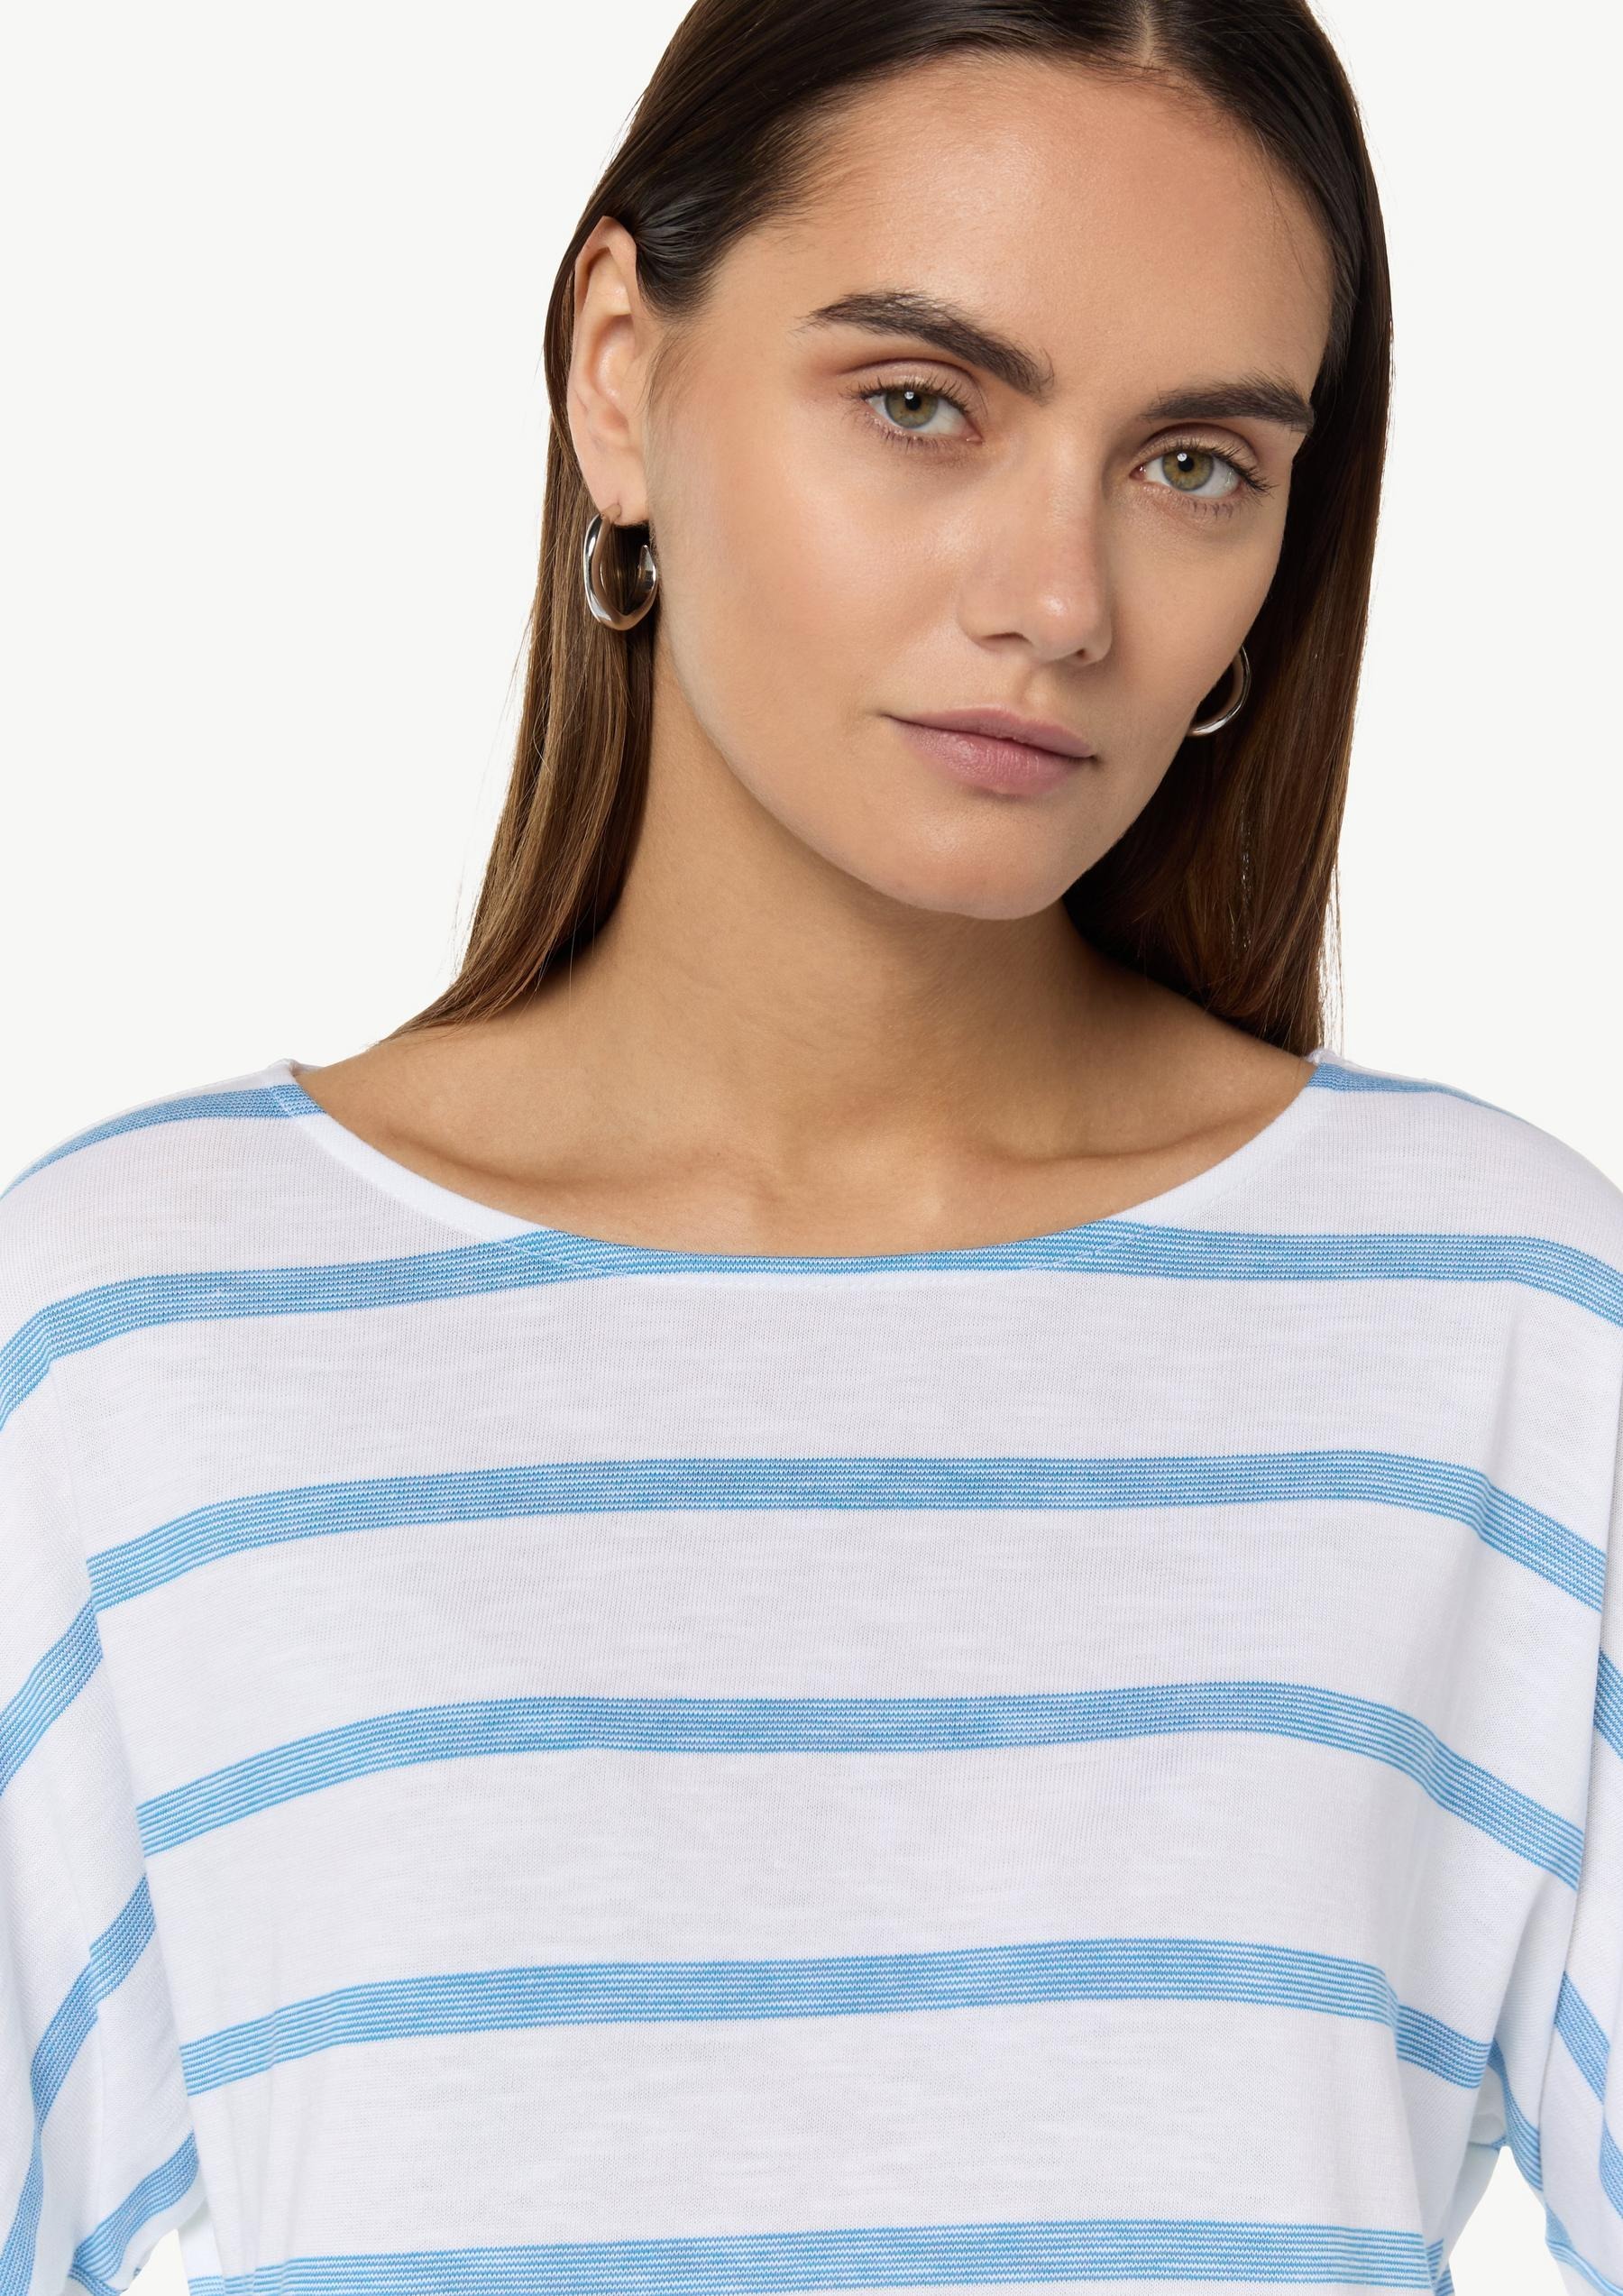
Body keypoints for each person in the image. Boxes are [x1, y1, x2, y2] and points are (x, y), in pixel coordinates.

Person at [3, 2, 1619, 2291]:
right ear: (618, 376)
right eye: (922, 402)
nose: (1057, 602)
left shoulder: (1502, 1324)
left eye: (1194, 464)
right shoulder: (131, 1333)